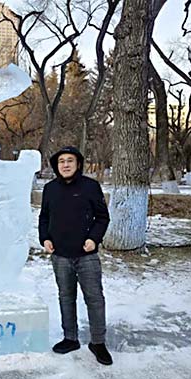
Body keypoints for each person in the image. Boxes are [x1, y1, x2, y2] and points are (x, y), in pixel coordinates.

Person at [38, 146, 112, 365]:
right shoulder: (50, 189)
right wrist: (45, 238)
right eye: (61, 161)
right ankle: (70, 338)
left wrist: (94, 239)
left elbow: (102, 217)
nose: (66, 165)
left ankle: (98, 342)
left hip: (86, 255)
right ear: (56, 165)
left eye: (70, 160)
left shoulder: (90, 186)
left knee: (94, 298)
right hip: (60, 255)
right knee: (66, 297)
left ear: (78, 164)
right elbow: (44, 217)